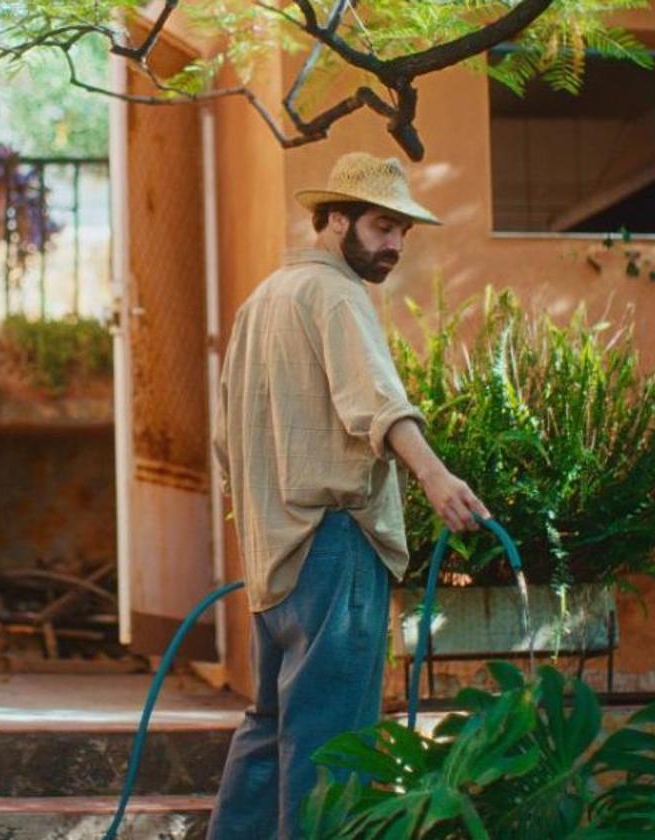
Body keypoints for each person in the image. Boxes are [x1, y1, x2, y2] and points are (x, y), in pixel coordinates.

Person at [207, 151, 490, 839]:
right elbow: (378, 404)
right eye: (382, 226)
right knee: (334, 743)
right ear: (334, 220)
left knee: (269, 728)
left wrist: (263, 526)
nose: (394, 244)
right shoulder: (335, 294)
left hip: (272, 553)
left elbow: (223, 439)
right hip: (333, 546)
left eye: (402, 231)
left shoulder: (260, 300)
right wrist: (433, 475)